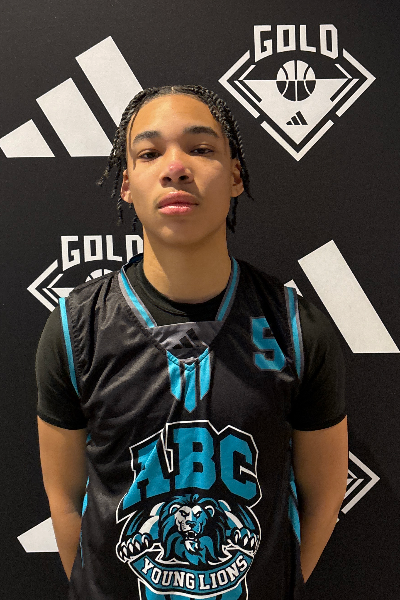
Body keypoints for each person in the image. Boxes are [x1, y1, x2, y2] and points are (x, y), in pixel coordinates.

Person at [36, 84, 348, 600]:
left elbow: (323, 496)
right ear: (126, 184)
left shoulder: (297, 328)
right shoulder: (75, 329)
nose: (176, 167)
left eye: (201, 149)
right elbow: (66, 499)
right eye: (149, 153)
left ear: (235, 176)